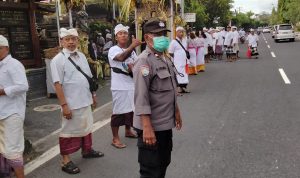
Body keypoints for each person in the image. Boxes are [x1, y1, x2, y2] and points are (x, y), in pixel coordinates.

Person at [133, 18, 183, 178]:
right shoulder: (144, 61)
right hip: (151, 126)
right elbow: (141, 96)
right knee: (150, 170)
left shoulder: (164, 58)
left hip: (165, 124)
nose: (162, 37)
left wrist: (176, 111)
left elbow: (169, 89)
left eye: (163, 33)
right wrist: (147, 127)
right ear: (147, 38)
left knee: (163, 163)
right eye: (157, 34)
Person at [51, 28, 104, 174]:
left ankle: (86, 150)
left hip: (85, 100)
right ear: (61, 41)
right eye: (67, 39)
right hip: (71, 103)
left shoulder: (81, 56)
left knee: (86, 126)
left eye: (73, 39)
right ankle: (65, 160)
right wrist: (64, 105)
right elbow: (57, 84)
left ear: (77, 41)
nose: (70, 42)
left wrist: (93, 95)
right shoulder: (57, 60)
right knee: (68, 131)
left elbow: (88, 78)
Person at [108, 24, 142, 149]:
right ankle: (115, 138)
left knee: (130, 111)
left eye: (125, 33)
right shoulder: (113, 49)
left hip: (131, 85)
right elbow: (121, 58)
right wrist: (133, 46)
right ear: (116, 36)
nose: (123, 35)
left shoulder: (132, 52)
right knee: (118, 113)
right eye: (120, 33)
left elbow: (137, 64)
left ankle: (128, 130)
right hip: (119, 86)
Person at [0, 35, 28, 178]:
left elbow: (23, 86)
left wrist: (3, 91)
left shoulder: (14, 64)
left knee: (13, 150)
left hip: (12, 113)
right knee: (2, 149)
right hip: (1, 112)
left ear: (6, 48)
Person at [169, 26, 190, 94]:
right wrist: (177, 57)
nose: (181, 33)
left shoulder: (184, 40)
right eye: (180, 32)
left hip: (184, 61)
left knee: (185, 74)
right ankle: (178, 88)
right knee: (178, 74)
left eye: (182, 32)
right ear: (176, 32)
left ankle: (184, 87)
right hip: (177, 62)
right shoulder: (173, 42)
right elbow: (170, 52)